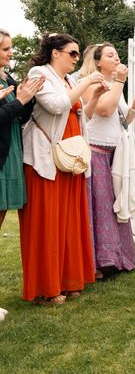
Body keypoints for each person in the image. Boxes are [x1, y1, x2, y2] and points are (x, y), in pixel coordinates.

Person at [19, 33, 104, 305]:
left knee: (68, 222)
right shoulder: (38, 73)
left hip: (70, 158)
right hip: (45, 157)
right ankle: (47, 288)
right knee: (47, 223)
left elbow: (82, 115)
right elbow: (56, 106)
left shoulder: (70, 80)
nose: (77, 59)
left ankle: (68, 281)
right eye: (72, 53)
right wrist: (87, 81)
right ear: (55, 53)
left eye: (78, 54)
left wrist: (93, 95)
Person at [79, 43, 135, 279]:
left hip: (116, 154)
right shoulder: (89, 83)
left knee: (117, 207)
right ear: (97, 61)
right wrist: (119, 81)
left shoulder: (117, 85)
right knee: (101, 209)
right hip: (96, 153)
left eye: (117, 54)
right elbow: (104, 110)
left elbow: (120, 121)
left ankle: (118, 257)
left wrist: (134, 110)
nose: (116, 58)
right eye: (110, 55)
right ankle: (97, 263)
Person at [0, 29, 45, 318]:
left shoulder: (8, 79)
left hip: (11, 153)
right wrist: (19, 101)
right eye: (5, 49)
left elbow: (18, 116)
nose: (11, 54)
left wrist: (27, 99)